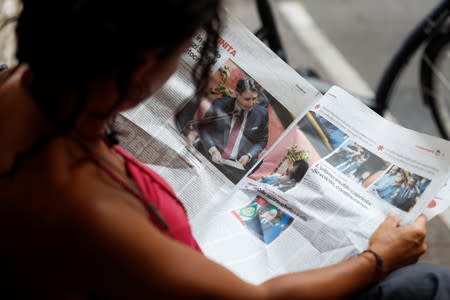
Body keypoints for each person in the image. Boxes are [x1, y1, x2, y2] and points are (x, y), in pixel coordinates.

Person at [0, 0, 450, 299]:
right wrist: (379, 258)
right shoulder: (88, 210)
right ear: (142, 65)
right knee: (429, 285)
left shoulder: (23, 85)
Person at [198, 76, 269, 183]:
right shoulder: (219, 105)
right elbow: (204, 129)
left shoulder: (262, 113)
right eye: (247, 99)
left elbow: (262, 141)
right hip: (211, 158)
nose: (251, 104)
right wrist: (213, 150)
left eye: (254, 99)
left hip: (236, 169)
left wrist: (248, 156)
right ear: (237, 94)